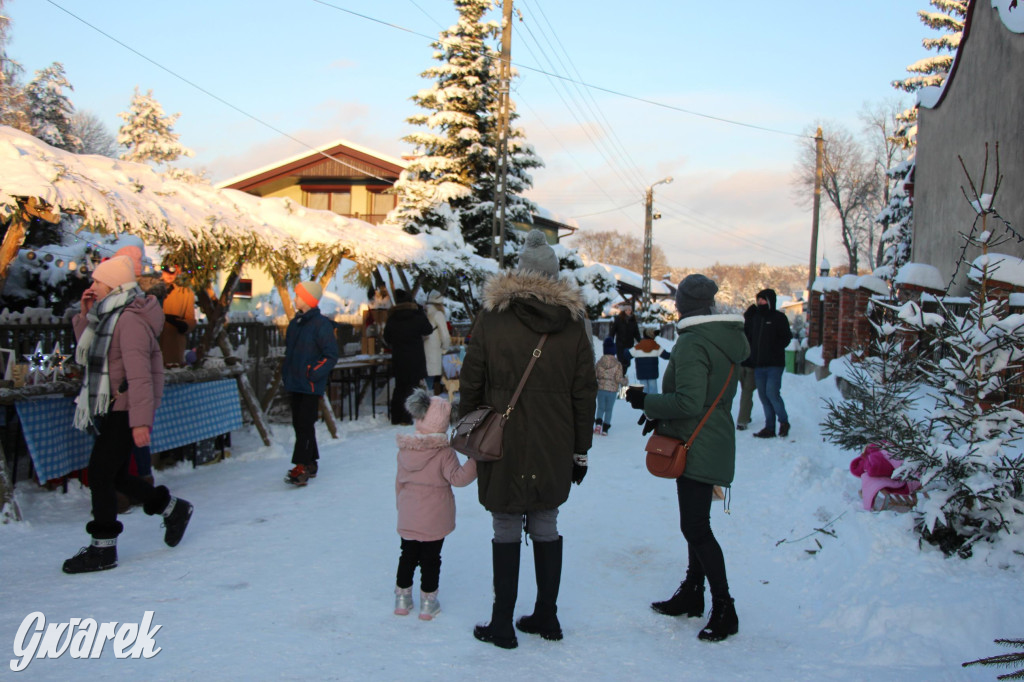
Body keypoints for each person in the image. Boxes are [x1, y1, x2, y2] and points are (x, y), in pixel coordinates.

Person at [459, 229, 597, 650]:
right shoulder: (574, 325)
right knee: (545, 520)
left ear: (520, 272)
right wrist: (580, 450)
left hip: (501, 435)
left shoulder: (492, 317)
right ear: (555, 276)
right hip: (554, 438)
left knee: (504, 521)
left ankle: (502, 623)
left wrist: (470, 423)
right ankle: (547, 617)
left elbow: (472, 378)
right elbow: (583, 391)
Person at [624, 273, 749, 642]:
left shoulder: (694, 342)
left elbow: (689, 401)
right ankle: (694, 592)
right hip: (710, 438)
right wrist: (658, 414)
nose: (675, 305)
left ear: (685, 305)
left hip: (697, 443)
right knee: (696, 522)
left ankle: (724, 608)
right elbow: (706, 397)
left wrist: (644, 400)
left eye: (677, 300)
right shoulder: (725, 338)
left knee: (695, 527)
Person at [63, 256, 193, 574]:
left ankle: (103, 548)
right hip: (110, 405)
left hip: (124, 407)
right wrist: (83, 314)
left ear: (114, 285)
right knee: (116, 475)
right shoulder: (107, 316)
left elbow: (141, 375)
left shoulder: (130, 320)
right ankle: (172, 509)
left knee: (100, 473)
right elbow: (88, 348)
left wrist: (140, 422)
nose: (92, 287)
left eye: (97, 282)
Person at [393, 388, 477, 620]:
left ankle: (402, 598)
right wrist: (475, 462)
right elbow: (458, 479)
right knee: (431, 558)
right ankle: (428, 602)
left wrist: (401, 507)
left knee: (407, 555)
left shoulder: (404, 450)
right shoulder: (443, 453)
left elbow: (399, 483)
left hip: (409, 514)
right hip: (434, 517)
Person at [282, 281, 339, 486]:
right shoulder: (295, 324)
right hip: (295, 382)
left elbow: (331, 354)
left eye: (298, 296)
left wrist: (313, 372)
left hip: (310, 384)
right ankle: (311, 461)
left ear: (307, 299)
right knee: (300, 424)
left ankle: (302, 465)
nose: (294, 299)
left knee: (304, 424)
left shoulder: (321, 324)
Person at [745, 288, 793, 439]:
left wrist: (773, 349)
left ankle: (784, 422)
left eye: (763, 300)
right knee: (764, 397)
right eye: (759, 300)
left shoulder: (778, 318)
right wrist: (748, 317)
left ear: (771, 301)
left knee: (772, 393)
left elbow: (786, 338)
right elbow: (748, 336)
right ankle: (769, 427)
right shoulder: (756, 318)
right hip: (759, 365)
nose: (760, 303)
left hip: (774, 364)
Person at [383, 289, 433, 425]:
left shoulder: (392, 318)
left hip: (398, 357)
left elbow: (387, 337)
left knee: (399, 387)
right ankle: (407, 417)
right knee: (412, 388)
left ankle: (396, 416)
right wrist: (421, 312)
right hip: (415, 357)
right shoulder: (416, 316)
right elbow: (428, 329)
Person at [158, 263, 196, 367]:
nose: (170, 276)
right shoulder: (151, 289)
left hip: (173, 345)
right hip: (152, 342)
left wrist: (184, 325)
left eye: (173, 273)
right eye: (167, 272)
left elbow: (191, 319)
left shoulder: (186, 292)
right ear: (162, 271)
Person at [594, 336, 627, 436]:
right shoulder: (618, 364)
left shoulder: (599, 363)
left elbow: (596, 375)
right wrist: (625, 381)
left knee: (600, 408)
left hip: (601, 389)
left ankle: (598, 425)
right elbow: (618, 378)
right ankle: (605, 429)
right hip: (612, 390)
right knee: (609, 409)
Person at [422, 291, 451, 395]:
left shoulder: (423, 311)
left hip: (421, 350)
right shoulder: (438, 313)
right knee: (434, 381)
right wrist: (446, 347)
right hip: (434, 351)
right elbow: (445, 335)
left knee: (426, 380)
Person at [735, 302, 758, 431]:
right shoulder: (758, 328)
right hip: (751, 365)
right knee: (747, 393)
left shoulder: (741, 328)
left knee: (745, 391)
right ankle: (742, 420)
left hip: (740, 364)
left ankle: (746, 416)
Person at [630, 328, 670, 395]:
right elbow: (666, 356)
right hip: (652, 374)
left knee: (643, 391)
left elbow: (627, 355)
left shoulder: (638, 347)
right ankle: (653, 403)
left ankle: (644, 404)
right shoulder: (656, 346)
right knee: (653, 390)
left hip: (641, 374)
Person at [610, 303, 641, 375]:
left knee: (627, 362)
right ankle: (621, 375)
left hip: (629, 344)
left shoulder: (633, 320)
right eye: (626, 310)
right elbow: (613, 330)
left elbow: (636, 332)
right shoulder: (618, 319)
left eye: (629, 310)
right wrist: (610, 339)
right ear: (624, 311)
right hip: (620, 344)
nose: (628, 311)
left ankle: (622, 374)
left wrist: (641, 341)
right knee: (621, 361)